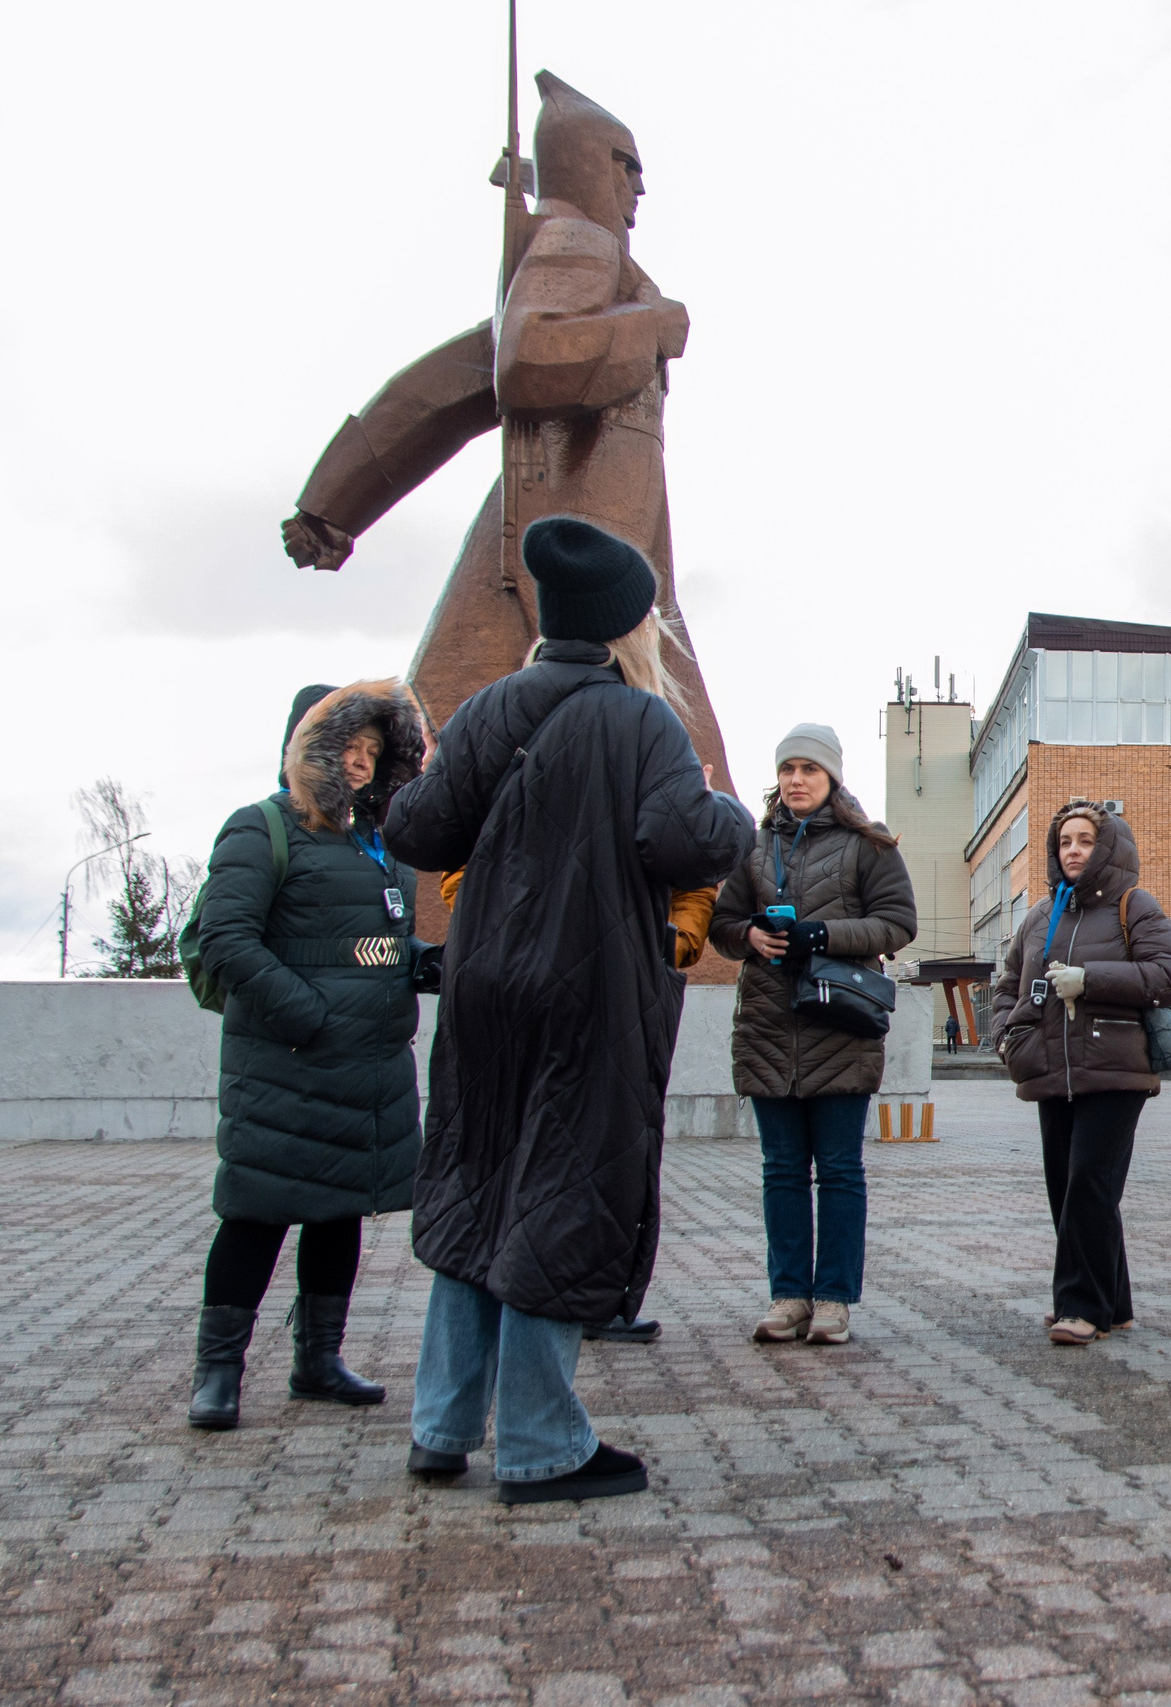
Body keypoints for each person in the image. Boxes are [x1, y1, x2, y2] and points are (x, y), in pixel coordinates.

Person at [383, 516, 753, 1504]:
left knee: (476, 1186)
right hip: (582, 991)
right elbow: (682, 839)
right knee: (559, 1194)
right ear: (628, 628)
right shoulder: (642, 721)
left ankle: (440, 1424)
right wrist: (728, 811)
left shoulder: (492, 706)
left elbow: (417, 828)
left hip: (484, 987)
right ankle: (542, 1442)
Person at [186, 680, 432, 1431]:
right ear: (306, 748)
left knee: (339, 1213)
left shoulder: (379, 841)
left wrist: (425, 964)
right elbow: (226, 938)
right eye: (345, 749)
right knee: (256, 1213)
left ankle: (318, 1359)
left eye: (370, 752)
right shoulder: (259, 828)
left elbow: (376, 942)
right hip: (287, 1062)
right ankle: (218, 1373)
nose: (358, 765)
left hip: (368, 1069)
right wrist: (310, 1014)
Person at [435, 861, 717, 1347]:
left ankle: (591, 1297)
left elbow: (694, 883)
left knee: (606, 1158)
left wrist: (665, 944)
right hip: (520, 986)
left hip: (620, 993)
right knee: (514, 1156)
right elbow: (461, 877)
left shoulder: (648, 792)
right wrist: (530, 927)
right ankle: (513, 1295)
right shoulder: (516, 792)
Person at [710, 723, 917, 1347]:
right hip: (770, 1028)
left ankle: (832, 1300)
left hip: (840, 1028)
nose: (795, 780)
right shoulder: (753, 846)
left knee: (839, 1170)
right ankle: (789, 1295)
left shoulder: (867, 845)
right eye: (787, 769)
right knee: (781, 1171)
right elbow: (722, 923)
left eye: (809, 769)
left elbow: (897, 924)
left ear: (831, 778)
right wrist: (748, 935)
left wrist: (822, 935)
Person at [990, 802, 1171, 1347]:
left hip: (1114, 1070)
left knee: (1089, 1187)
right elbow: (1008, 981)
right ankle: (1114, 1303)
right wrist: (1010, 1034)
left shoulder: (1135, 905)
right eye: (1064, 843)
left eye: (1083, 841)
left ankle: (1079, 1307)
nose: (1072, 851)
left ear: (1106, 848)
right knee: (1068, 1189)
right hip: (1051, 1069)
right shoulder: (1040, 914)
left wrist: (1090, 979)